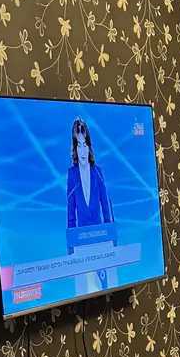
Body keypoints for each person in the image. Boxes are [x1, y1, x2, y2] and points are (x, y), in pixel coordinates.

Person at [66, 118, 115, 292]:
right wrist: (71, 245)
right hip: (81, 240)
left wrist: (112, 236)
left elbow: (105, 205)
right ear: (75, 149)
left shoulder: (98, 172)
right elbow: (71, 211)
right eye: (78, 145)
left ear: (89, 147)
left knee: (104, 284)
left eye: (84, 144)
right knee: (86, 285)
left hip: (101, 236)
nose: (82, 150)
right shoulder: (71, 174)